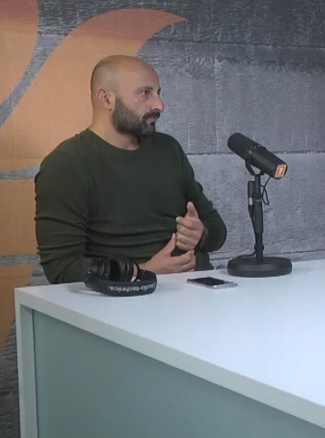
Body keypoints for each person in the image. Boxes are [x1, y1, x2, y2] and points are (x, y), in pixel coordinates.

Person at [35, 55, 227, 284]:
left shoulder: (168, 149)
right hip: (127, 297)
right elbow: (61, 268)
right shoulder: (66, 165)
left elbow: (217, 231)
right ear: (106, 99)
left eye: (158, 93)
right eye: (145, 93)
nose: (159, 105)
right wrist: (141, 272)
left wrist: (200, 234)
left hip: (199, 289)